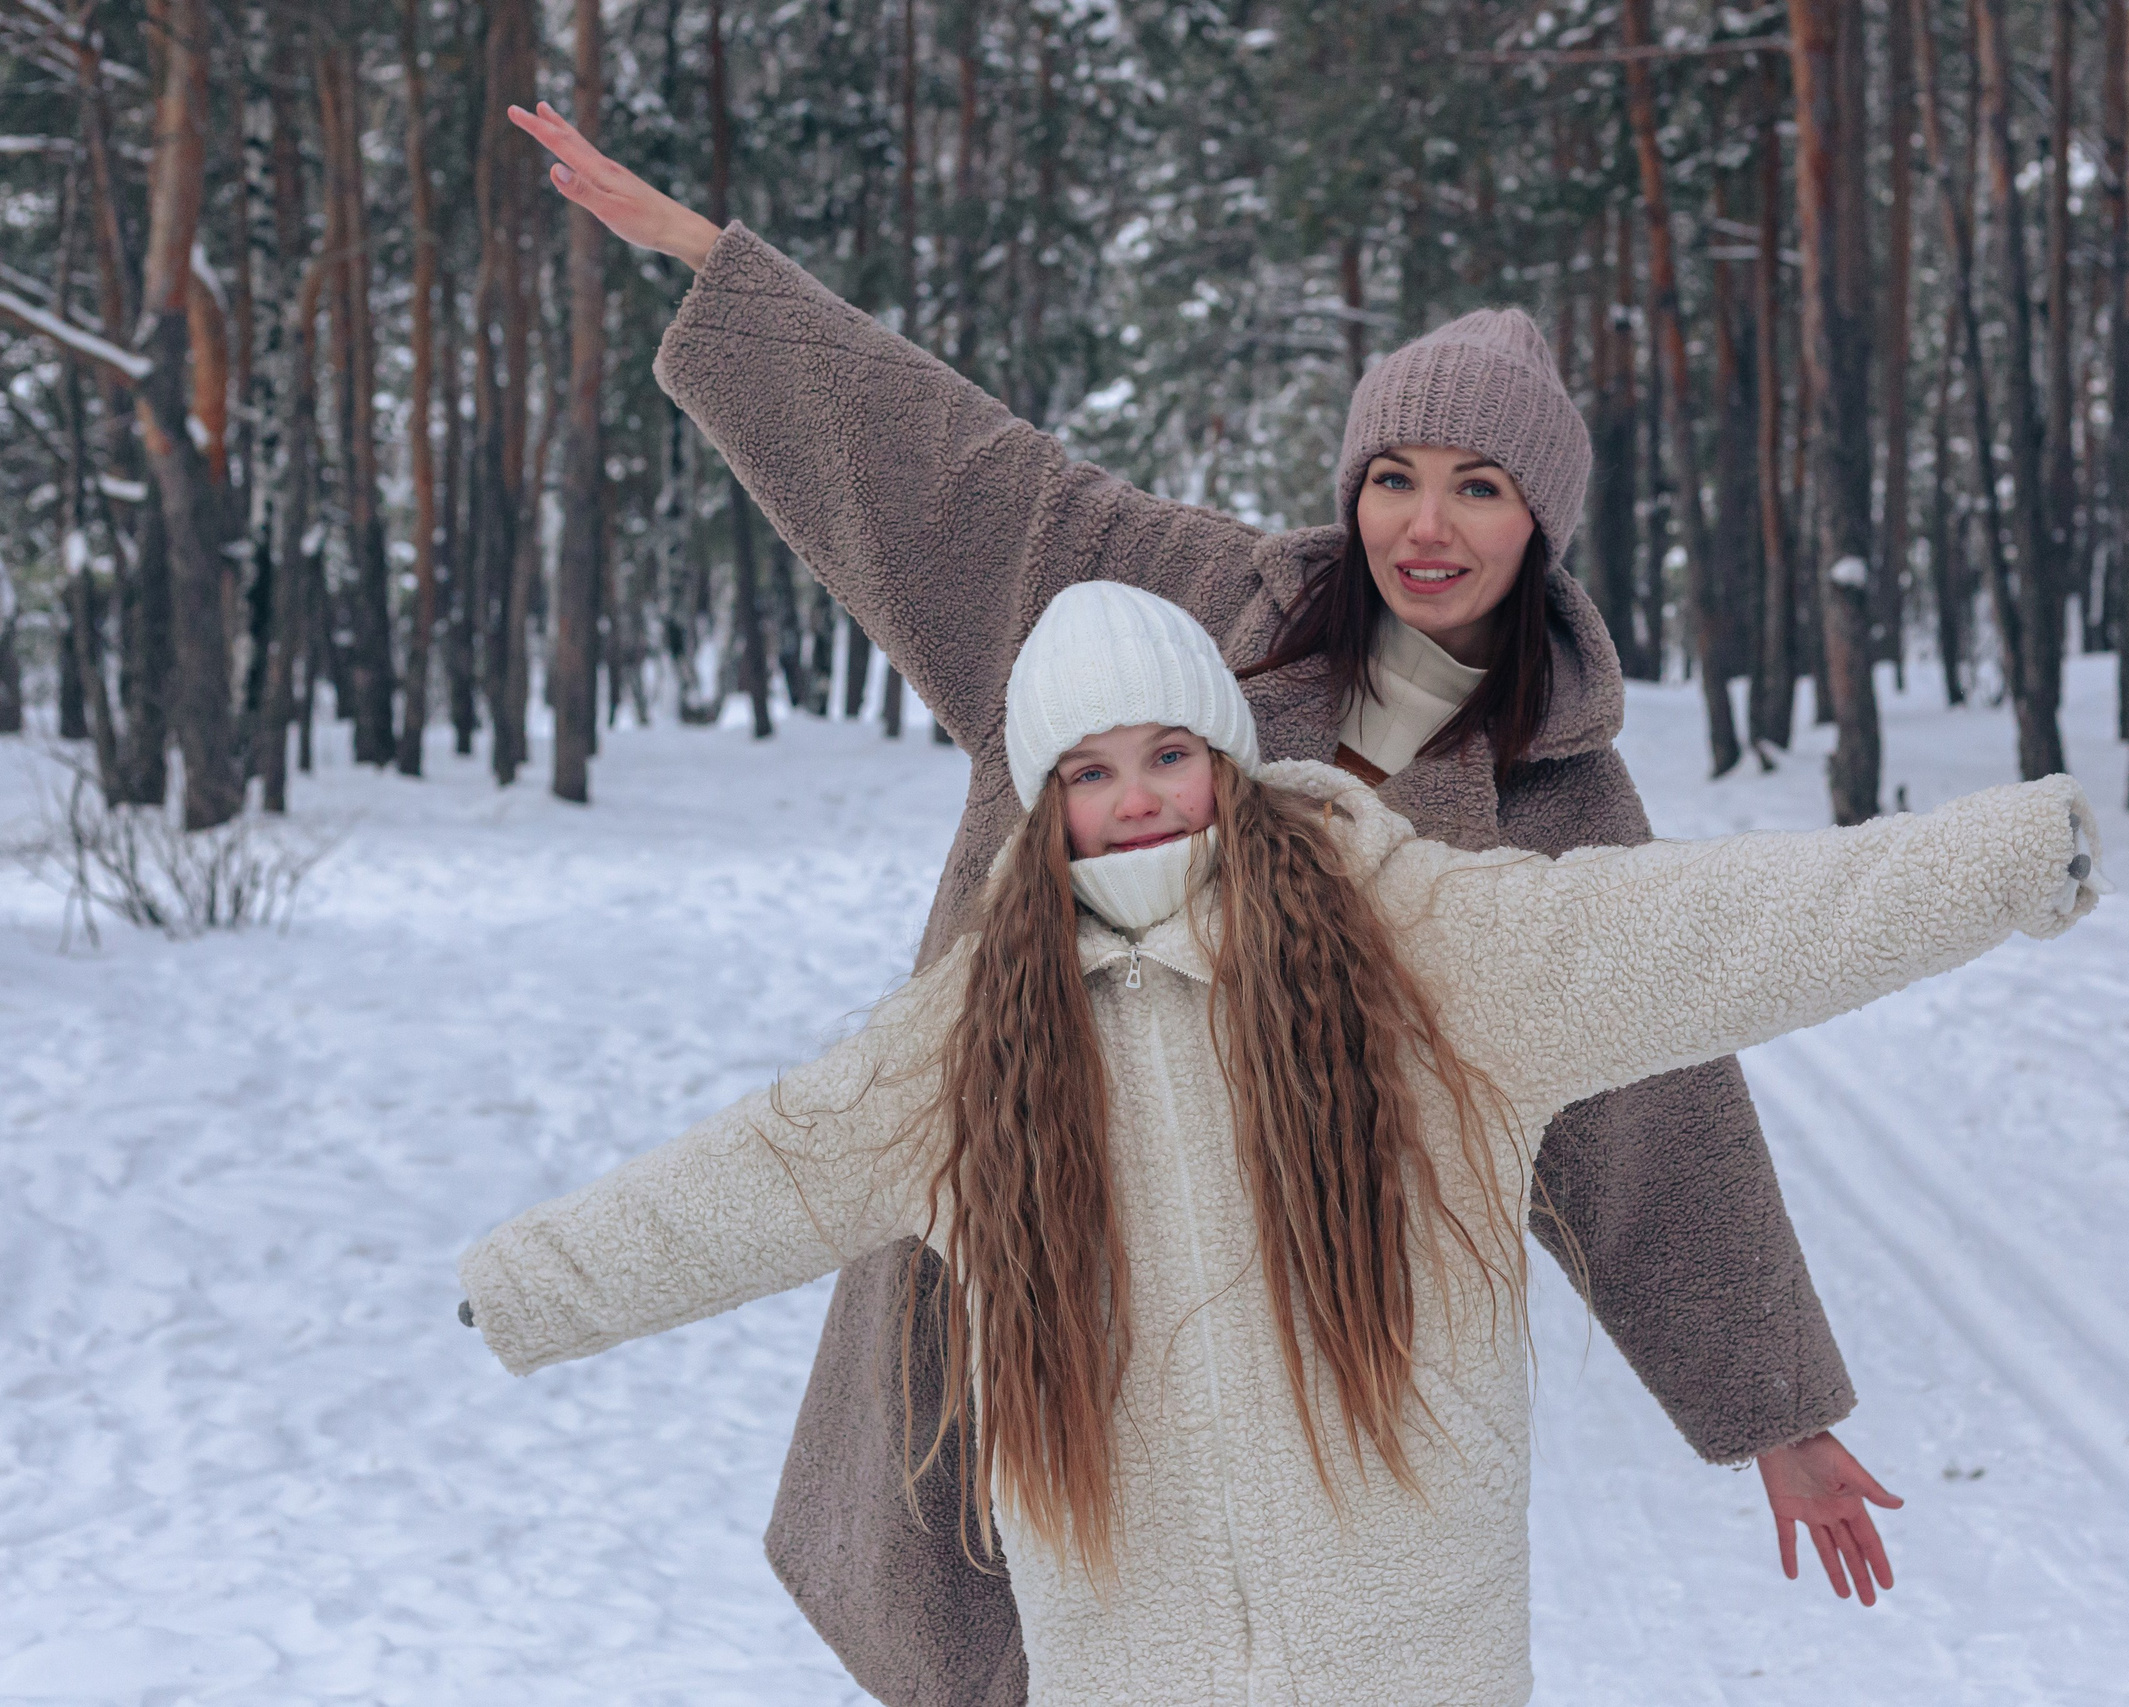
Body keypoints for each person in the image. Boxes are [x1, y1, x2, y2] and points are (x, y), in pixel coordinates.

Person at [507, 99, 1901, 1704]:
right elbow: (938, 470)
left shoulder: (1551, 798)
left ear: (1543, 524)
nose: (1424, 526)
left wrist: (1774, 1409)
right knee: (1032, 1616)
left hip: (1311, 1330)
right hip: (1053, 1244)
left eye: (1478, 488)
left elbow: (1655, 1110)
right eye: (1393, 476)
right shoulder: (1168, 593)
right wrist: (709, 265)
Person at [461, 582, 2104, 1705]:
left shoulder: (1424, 951)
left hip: (1415, 1644)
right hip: (1133, 1653)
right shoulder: (965, 1045)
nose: (1141, 800)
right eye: (1091, 774)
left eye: (1170, 752)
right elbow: (760, 1171)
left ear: (1229, 759)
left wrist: (2008, 857)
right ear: (1042, 806)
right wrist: (533, 1287)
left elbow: (1707, 928)